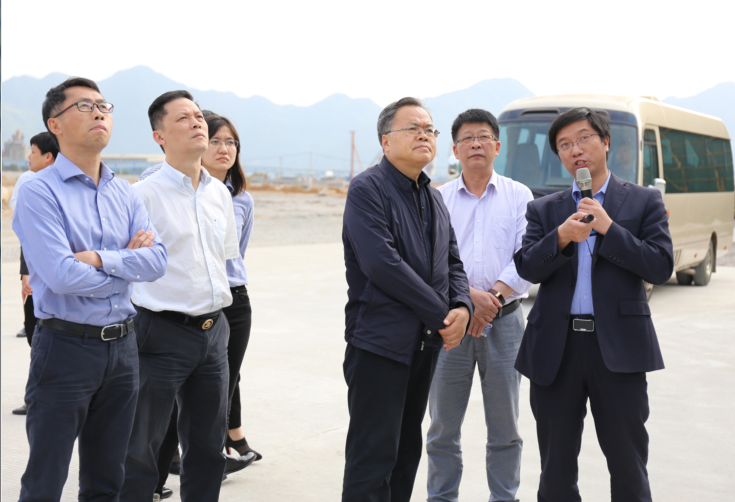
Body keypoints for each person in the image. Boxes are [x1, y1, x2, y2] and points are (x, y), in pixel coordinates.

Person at [12, 76, 167, 501]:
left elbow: (157, 261)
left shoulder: (125, 192)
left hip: (124, 350)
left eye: (103, 105)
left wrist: (99, 258)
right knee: (45, 480)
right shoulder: (39, 191)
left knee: (107, 478)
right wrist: (126, 265)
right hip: (65, 348)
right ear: (55, 124)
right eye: (84, 106)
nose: (99, 112)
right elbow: (62, 276)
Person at [514, 107, 674, 502]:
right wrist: (560, 238)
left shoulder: (644, 201)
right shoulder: (544, 209)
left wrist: (609, 228)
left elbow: (660, 266)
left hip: (618, 349)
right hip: (556, 350)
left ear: (605, 142)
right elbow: (527, 268)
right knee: (555, 469)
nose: (575, 150)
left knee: (628, 464)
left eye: (584, 138)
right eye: (564, 145)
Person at [341, 97, 473, 502]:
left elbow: (452, 260)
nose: (424, 135)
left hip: (423, 345)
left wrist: (462, 307)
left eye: (430, 129)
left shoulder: (433, 197)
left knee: (405, 452)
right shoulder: (367, 189)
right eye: (413, 128)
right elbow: (382, 264)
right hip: (379, 344)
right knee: (373, 457)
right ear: (386, 140)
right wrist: (442, 315)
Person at [120, 90, 244, 502]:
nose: (196, 123)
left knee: (208, 446)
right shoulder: (142, 195)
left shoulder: (219, 193)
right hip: (160, 333)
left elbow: (223, 260)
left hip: (214, 332)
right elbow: (125, 263)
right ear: (159, 136)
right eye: (183, 118)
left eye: (198, 116)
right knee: (141, 447)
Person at [426, 109, 533, 502]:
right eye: (467, 138)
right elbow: (430, 262)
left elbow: (527, 255)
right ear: (455, 149)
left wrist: (494, 300)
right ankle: (441, 497)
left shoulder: (519, 195)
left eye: (484, 136)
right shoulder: (437, 199)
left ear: (497, 146)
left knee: (505, 430)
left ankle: (504, 497)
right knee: (442, 428)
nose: (476, 144)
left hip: (505, 324)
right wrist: (470, 298)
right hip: (451, 322)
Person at [153, 114, 259, 499]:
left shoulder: (240, 199)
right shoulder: (161, 186)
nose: (224, 149)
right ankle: (156, 476)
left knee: (218, 393)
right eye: (216, 141)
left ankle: (212, 457)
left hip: (231, 300)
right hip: (180, 307)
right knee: (169, 403)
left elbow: (234, 254)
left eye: (231, 142)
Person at [11, 132, 59, 415]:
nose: (28, 157)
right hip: (36, 275)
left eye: (33, 151)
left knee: (43, 336)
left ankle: (38, 398)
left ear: (48, 157)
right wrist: (24, 273)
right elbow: (26, 238)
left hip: (52, 280)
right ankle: (36, 397)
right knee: (35, 335)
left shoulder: (45, 189)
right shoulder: (31, 184)